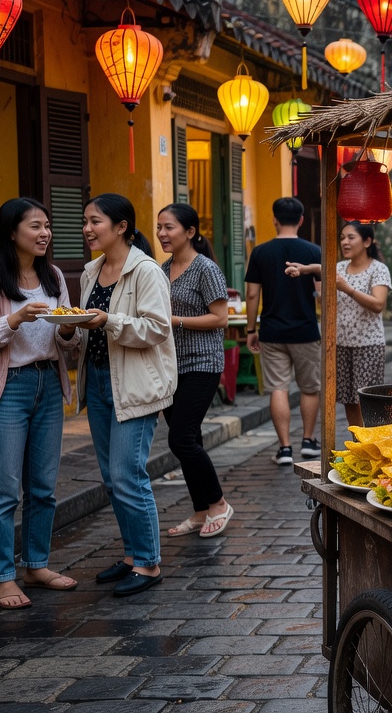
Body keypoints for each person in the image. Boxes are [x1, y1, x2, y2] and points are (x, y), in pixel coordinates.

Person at [0, 198, 81, 609]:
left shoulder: (52, 275)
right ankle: (0, 577)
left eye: (47, 226)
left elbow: (68, 336)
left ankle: (35, 564)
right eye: (35, 226)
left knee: (44, 488)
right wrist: (13, 320)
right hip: (5, 388)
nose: (44, 233)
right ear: (11, 231)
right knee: (3, 490)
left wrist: (70, 330)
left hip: (48, 383)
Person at [75, 193, 177, 597]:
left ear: (121, 227)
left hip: (135, 383)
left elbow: (157, 328)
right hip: (99, 381)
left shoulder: (146, 271)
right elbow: (85, 328)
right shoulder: (90, 272)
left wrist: (108, 320)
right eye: (85, 221)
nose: (87, 229)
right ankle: (134, 555)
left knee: (127, 475)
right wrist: (70, 329)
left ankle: (149, 563)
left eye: (95, 221)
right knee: (111, 479)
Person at [155, 205, 233, 540]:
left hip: (202, 363)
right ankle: (201, 510)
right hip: (170, 365)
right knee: (190, 439)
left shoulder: (205, 268)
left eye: (169, 227)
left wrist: (175, 321)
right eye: (159, 227)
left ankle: (218, 503)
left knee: (181, 438)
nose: (161, 234)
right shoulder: (162, 269)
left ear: (190, 232)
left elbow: (220, 318)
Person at [286, 223, 392, 429]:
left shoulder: (378, 269)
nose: (344, 242)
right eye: (342, 237)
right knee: (348, 400)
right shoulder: (339, 268)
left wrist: (347, 288)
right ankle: (356, 444)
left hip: (368, 346)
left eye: (351, 237)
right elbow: (322, 282)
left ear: (367, 241)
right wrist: (305, 269)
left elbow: (378, 304)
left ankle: (370, 444)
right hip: (340, 345)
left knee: (366, 400)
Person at [246, 197, 322, 467]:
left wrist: (251, 328)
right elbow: (322, 294)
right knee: (310, 388)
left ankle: (285, 448)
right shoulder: (314, 251)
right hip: (305, 330)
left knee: (278, 387)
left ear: (274, 219)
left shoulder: (261, 252)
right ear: (301, 220)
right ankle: (309, 441)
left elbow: (252, 294)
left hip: (272, 330)